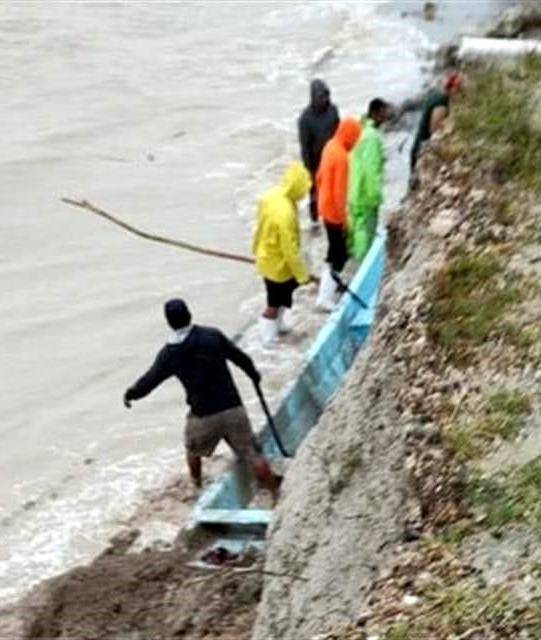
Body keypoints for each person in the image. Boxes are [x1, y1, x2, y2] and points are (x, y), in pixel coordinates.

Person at [123, 299, 280, 502]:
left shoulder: (169, 354)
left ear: (169, 323)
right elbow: (240, 357)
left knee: (192, 450)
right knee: (253, 454)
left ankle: (197, 486)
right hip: (233, 408)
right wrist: (253, 374)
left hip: (203, 415)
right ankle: (275, 494)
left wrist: (131, 394)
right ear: (189, 315)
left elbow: (149, 381)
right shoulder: (212, 336)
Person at [252, 161, 318, 343]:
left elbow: (260, 226)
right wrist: (302, 275)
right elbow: (290, 250)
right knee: (273, 303)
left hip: (266, 255)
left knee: (281, 298)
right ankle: (267, 339)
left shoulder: (272, 195)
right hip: (277, 266)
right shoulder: (285, 213)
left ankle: (278, 327)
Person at [315, 116, 362, 310]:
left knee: (334, 251)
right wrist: (343, 220)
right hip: (334, 212)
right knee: (340, 256)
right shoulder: (342, 157)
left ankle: (328, 287)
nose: (354, 143)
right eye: (354, 139)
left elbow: (319, 177)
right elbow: (339, 193)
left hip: (324, 207)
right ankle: (325, 297)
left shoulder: (329, 146)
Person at [348, 98, 389, 262]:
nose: (385, 118)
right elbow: (371, 169)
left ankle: (355, 264)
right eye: (383, 114)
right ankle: (363, 265)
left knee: (356, 229)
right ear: (375, 113)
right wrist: (376, 195)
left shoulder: (360, 131)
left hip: (354, 189)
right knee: (364, 233)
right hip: (366, 194)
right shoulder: (372, 137)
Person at [298, 79, 339, 226]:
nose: (325, 100)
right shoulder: (305, 119)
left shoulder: (333, 111)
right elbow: (304, 146)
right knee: (315, 196)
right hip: (315, 163)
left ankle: (331, 219)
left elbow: (338, 133)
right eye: (321, 97)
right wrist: (309, 169)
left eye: (326, 96)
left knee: (333, 193)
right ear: (313, 97)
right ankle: (314, 223)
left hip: (333, 160)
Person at [410, 71, 463, 172]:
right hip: (420, 151)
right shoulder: (441, 104)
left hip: (417, 146)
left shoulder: (437, 93)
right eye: (459, 90)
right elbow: (434, 133)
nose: (460, 94)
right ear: (452, 88)